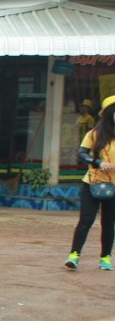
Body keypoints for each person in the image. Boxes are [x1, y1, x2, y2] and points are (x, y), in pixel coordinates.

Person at [66, 94, 115, 271]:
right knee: (86, 220)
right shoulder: (94, 134)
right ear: (109, 113)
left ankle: (105, 258)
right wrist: (98, 162)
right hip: (92, 183)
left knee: (109, 223)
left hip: (113, 186)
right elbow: (81, 154)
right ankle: (74, 255)